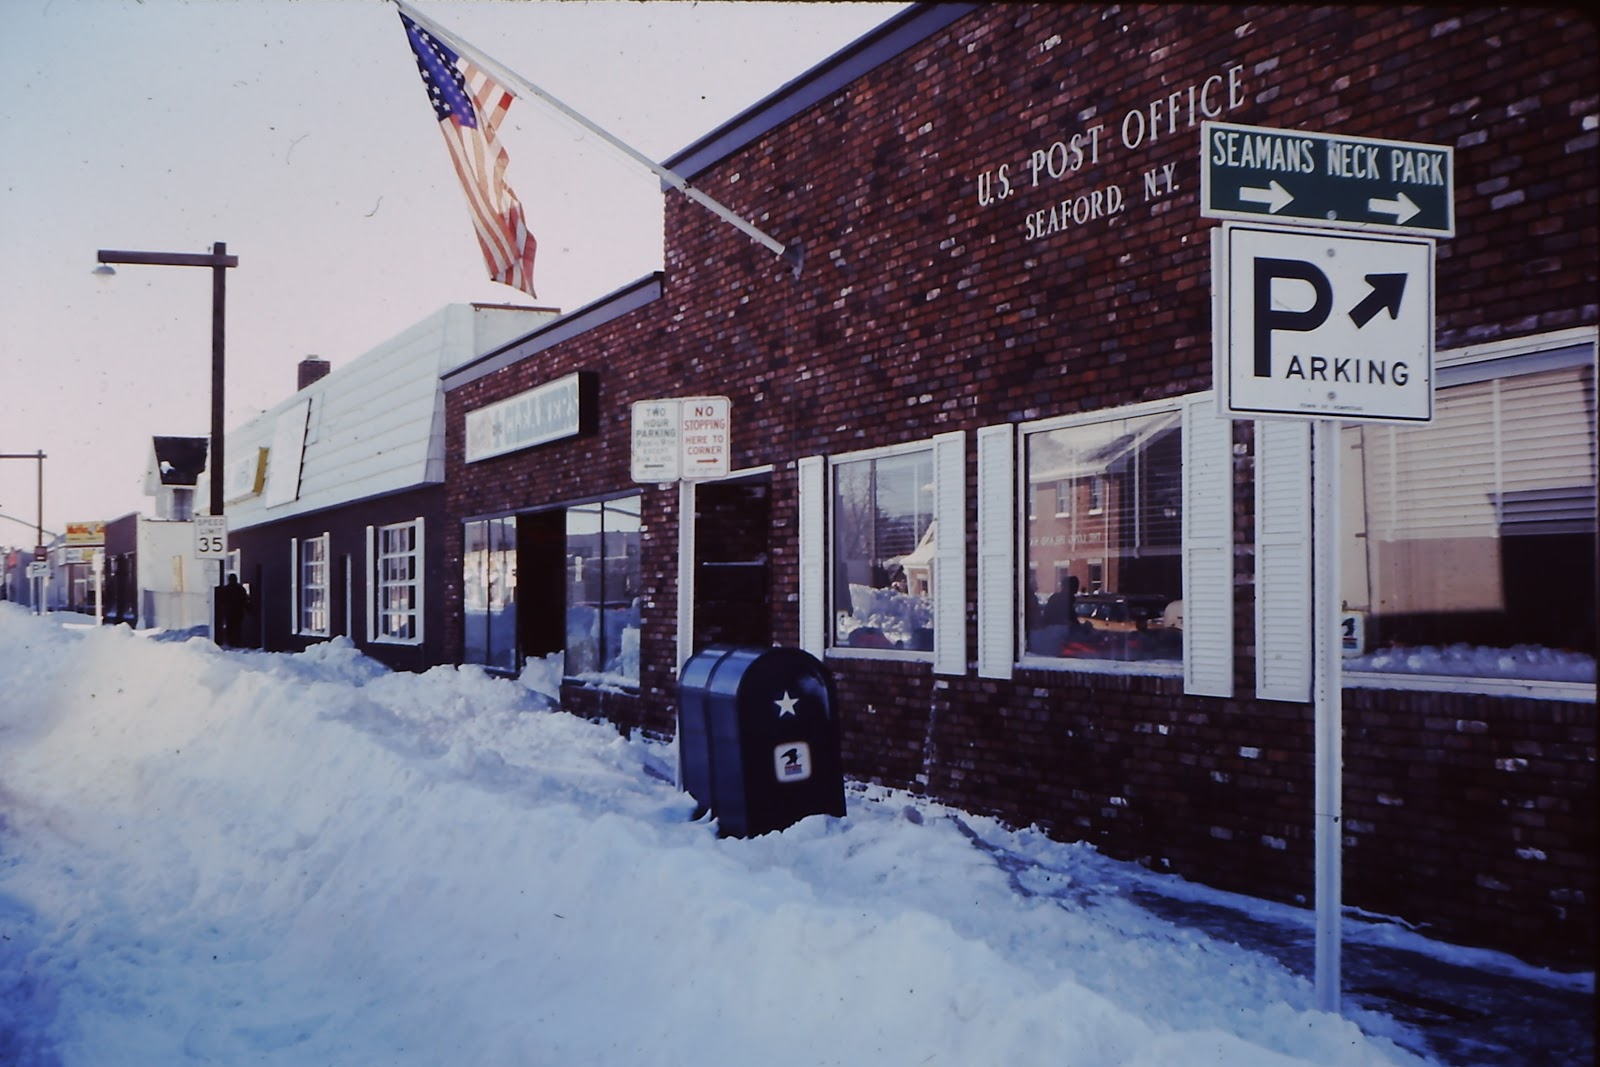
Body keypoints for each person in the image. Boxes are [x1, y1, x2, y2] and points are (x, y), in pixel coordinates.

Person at [217, 573, 251, 647]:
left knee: (229, 627)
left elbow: (221, 600)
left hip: (228, 612)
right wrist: (249, 610)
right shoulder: (240, 589)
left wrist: (221, 610)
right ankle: (237, 642)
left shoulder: (225, 589)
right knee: (237, 627)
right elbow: (244, 600)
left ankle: (230, 642)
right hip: (238, 611)